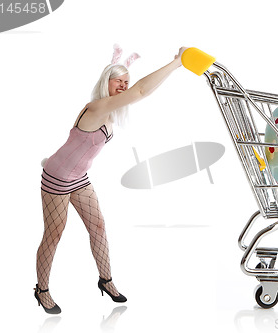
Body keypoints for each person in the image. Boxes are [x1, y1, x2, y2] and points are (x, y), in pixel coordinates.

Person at [35, 45, 187, 314]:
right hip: (57, 177)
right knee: (54, 234)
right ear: (106, 81)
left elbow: (140, 91)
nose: (125, 85)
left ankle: (106, 281)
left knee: (98, 226)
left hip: (78, 178)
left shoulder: (111, 112)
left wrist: (173, 67)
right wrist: (176, 63)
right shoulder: (97, 107)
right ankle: (42, 290)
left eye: (126, 81)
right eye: (119, 80)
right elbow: (140, 91)